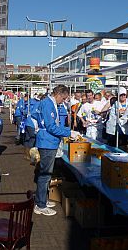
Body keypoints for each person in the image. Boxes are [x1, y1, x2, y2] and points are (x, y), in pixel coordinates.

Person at [34, 85, 79, 216]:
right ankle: (40, 204)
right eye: (63, 98)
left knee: (47, 174)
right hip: (47, 142)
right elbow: (51, 126)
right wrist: (68, 132)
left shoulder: (49, 103)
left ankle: (42, 199)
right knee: (45, 174)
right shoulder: (48, 104)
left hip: (49, 141)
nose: (63, 101)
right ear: (58, 94)